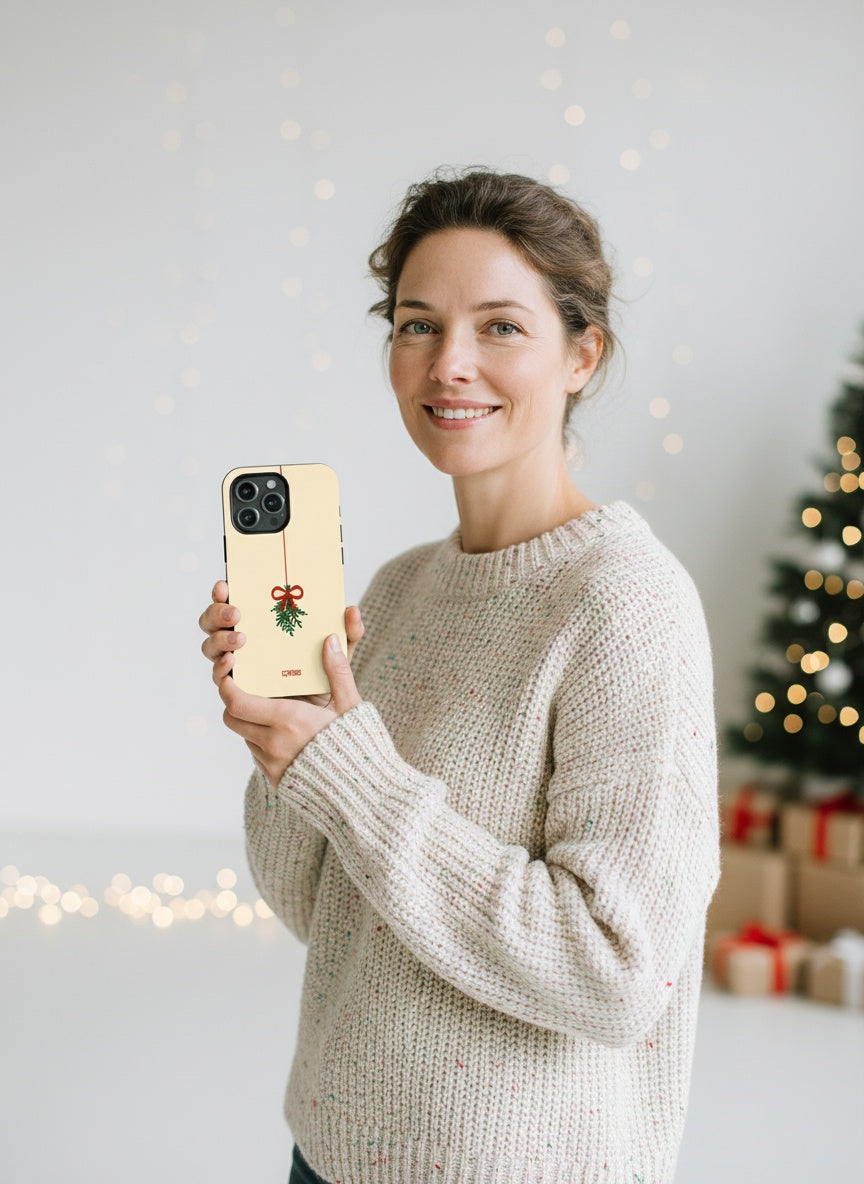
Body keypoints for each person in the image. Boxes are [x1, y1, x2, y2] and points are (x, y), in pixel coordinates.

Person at [199, 168, 719, 1184]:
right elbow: (325, 909)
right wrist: (289, 752)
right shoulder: (396, 593)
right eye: (417, 324)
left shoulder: (627, 603)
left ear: (583, 353)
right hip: (331, 1150)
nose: (451, 365)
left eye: (501, 327)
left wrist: (353, 771)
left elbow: (616, 970)